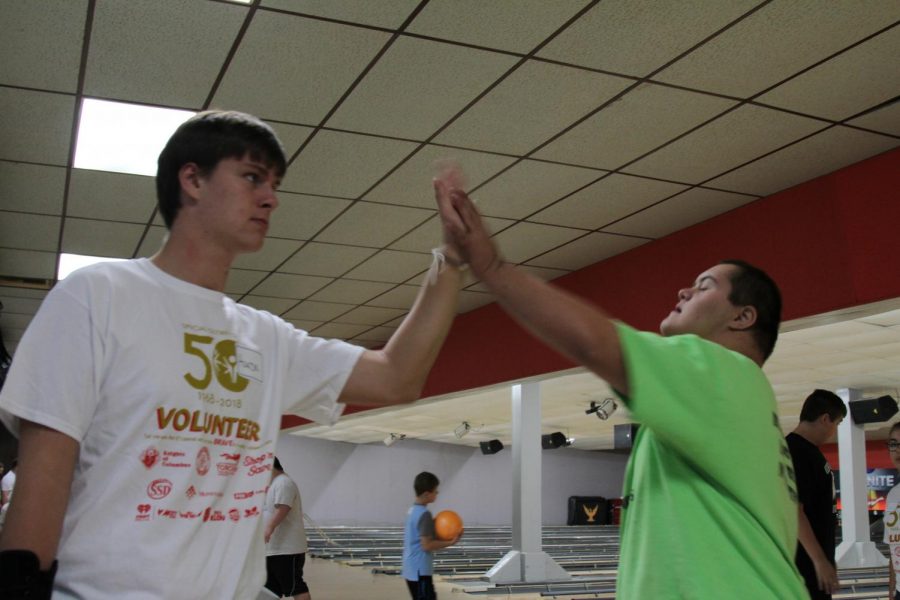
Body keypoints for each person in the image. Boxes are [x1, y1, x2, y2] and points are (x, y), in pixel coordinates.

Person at [0, 111, 467, 599]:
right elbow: (42, 481)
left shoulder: (265, 337)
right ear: (192, 179)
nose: (271, 197)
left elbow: (397, 378)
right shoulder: (98, 296)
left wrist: (452, 261)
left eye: (275, 183)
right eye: (252, 177)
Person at [432, 177, 809, 598]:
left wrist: (491, 267)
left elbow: (597, 342)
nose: (684, 290)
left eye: (705, 286)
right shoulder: (744, 400)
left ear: (742, 318)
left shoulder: (720, 372)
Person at [787, 389, 845, 599]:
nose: (835, 431)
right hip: (804, 567)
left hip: (811, 565)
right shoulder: (797, 452)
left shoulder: (807, 451)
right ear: (825, 419)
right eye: (837, 424)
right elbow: (794, 510)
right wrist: (820, 560)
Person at [402, 471, 460, 600]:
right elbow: (427, 545)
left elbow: (418, 538)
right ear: (427, 494)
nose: (437, 493)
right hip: (420, 570)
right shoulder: (424, 514)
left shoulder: (412, 510)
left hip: (410, 568)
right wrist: (451, 542)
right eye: (435, 491)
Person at [263, 457, 310, 600]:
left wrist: (269, 528)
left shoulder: (284, 482)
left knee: (295, 587)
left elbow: (283, 507)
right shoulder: (274, 484)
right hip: (274, 548)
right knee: (270, 588)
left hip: (287, 548)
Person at [883, 422, 900, 600]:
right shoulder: (893, 495)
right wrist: (892, 589)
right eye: (894, 444)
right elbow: (893, 545)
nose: (898, 450)